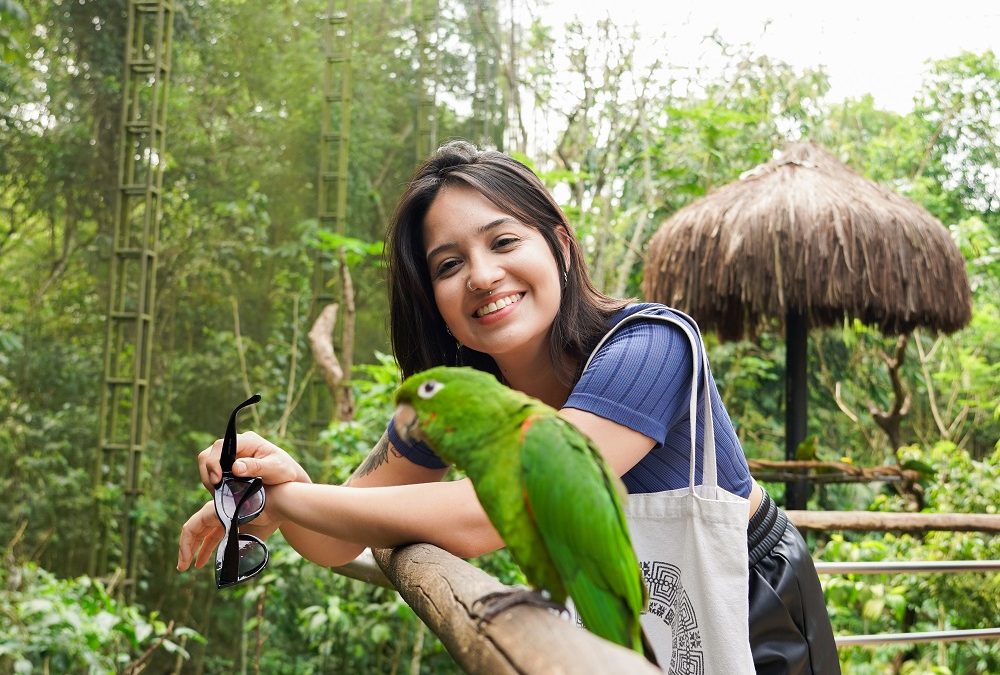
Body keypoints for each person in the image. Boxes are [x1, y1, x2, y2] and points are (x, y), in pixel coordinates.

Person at [177, 140, 840, 673]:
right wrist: (281, 483)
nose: (482, 275)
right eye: (447, 265)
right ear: (432, 298)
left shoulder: (649, 346)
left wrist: (281, 498)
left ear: (560, 242)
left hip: (753, 606)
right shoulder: (452, 398)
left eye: (502, 241)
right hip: (609, 614)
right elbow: (333, 535)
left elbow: (487, 516)